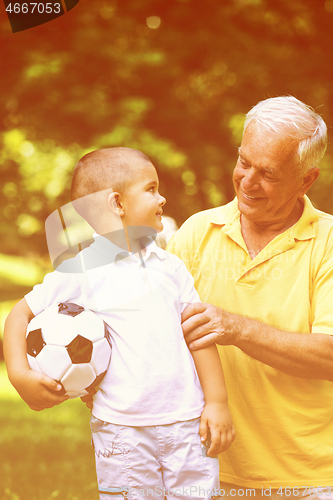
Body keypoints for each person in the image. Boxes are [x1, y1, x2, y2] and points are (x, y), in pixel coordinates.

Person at [4, 147, 235, 500]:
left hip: (187, 426)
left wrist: (217, 402)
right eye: (151, 188)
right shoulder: (82, 269)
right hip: (121, 432)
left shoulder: (171, 269)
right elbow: (20, 314)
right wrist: (19, 374)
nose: (162, 197)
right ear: (117, 203)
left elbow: (198, 336)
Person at [167, 96, 333, 499]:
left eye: (269, 174)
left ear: (306, 180)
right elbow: (156, 333)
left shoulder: (328, 243)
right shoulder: (195, 232)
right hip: (203, 471)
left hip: (310, 480)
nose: (247, 181)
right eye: (244, 162)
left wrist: (236, 327)